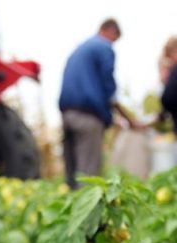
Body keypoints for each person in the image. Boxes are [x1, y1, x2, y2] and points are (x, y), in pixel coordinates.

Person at [58, 18, 140, 189]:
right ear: (110, 31)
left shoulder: (79, 50)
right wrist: (128, 118)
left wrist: (112, 118)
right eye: (115, 39)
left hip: (67, 115)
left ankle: (70, 214)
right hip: (88, 117)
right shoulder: (103, 47)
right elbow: (108, 87)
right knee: (89, 177)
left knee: (72, 177)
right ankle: (89, 215)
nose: (113, 43)